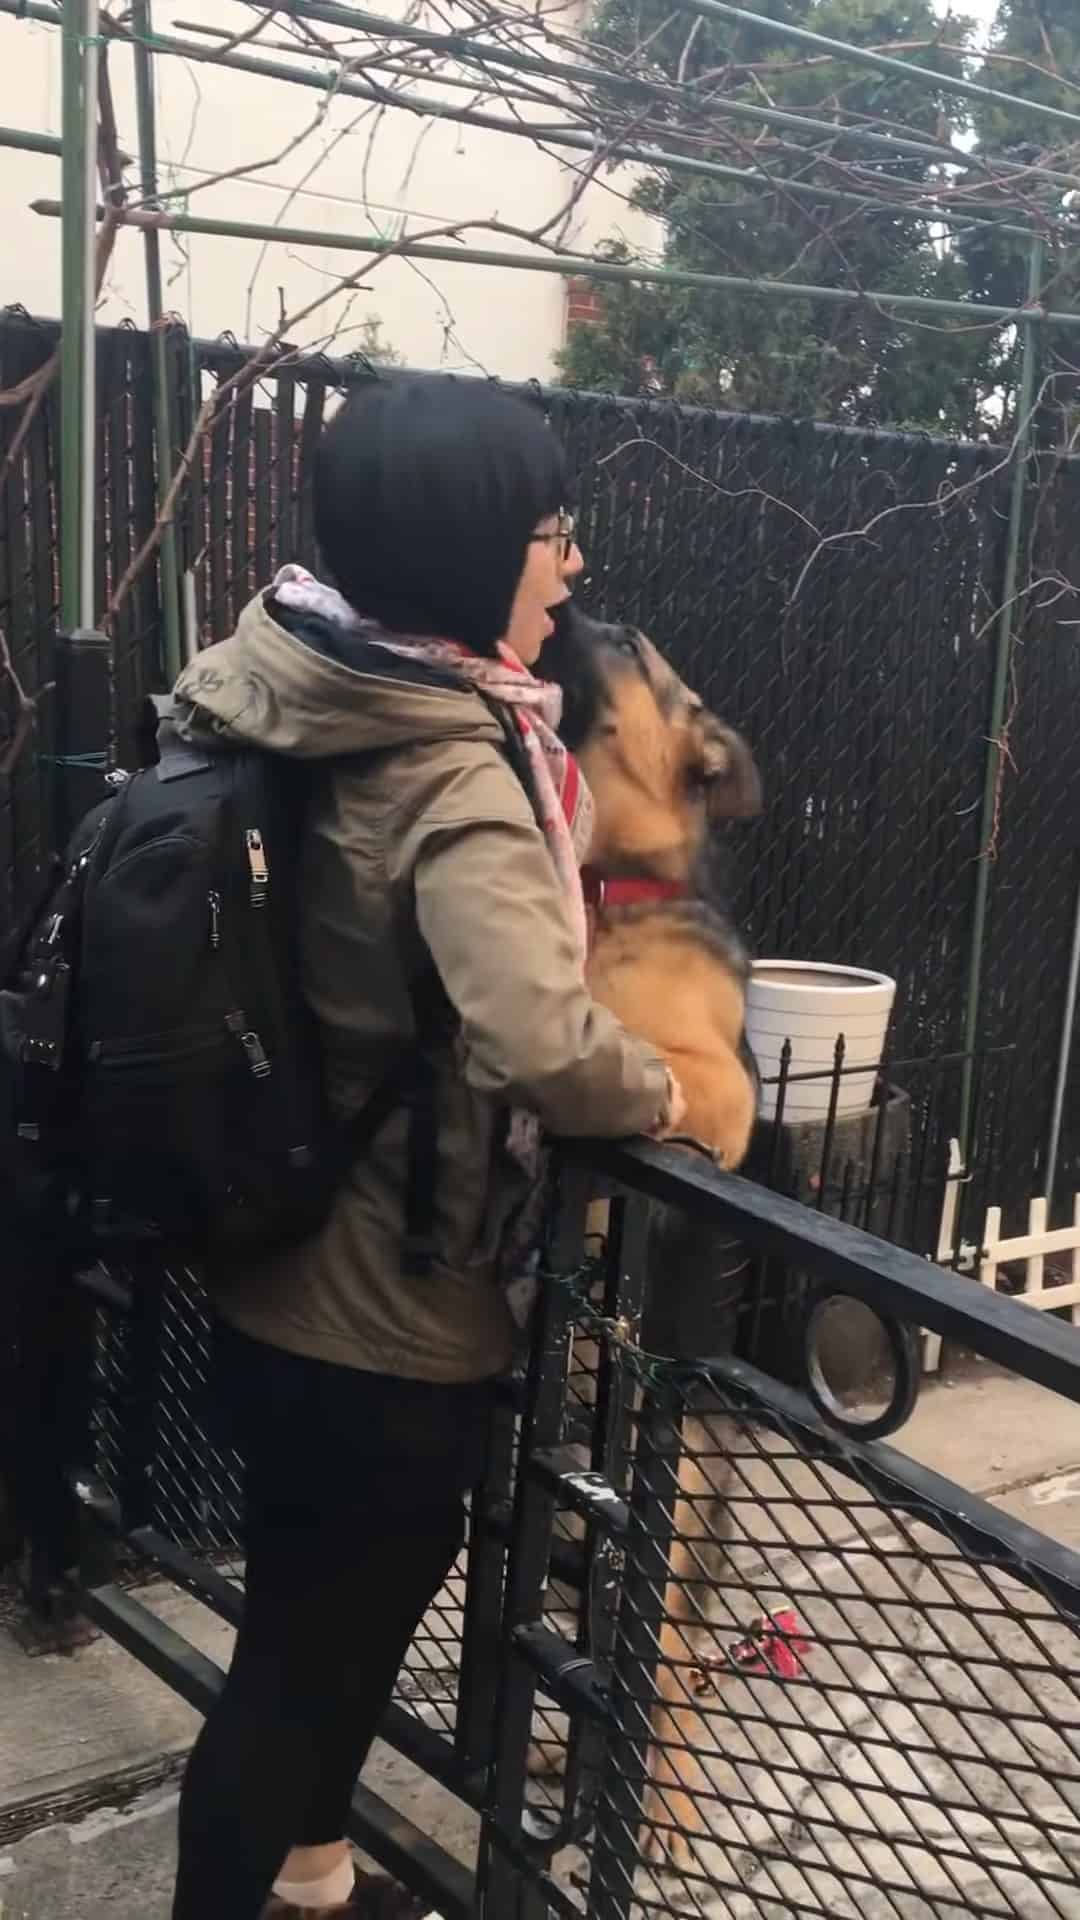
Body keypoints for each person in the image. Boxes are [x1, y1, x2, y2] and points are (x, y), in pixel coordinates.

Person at [167, 375, 684, 1920]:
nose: (570, 566)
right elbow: (536, 1036)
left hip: (267, 1241)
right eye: (548, 533)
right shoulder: (456, 765)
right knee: (296, 1671)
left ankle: (318, 1881)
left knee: (308, 1632)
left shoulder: (275, 683)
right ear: (472, 552)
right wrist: (664, 1092)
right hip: (390, 1311)